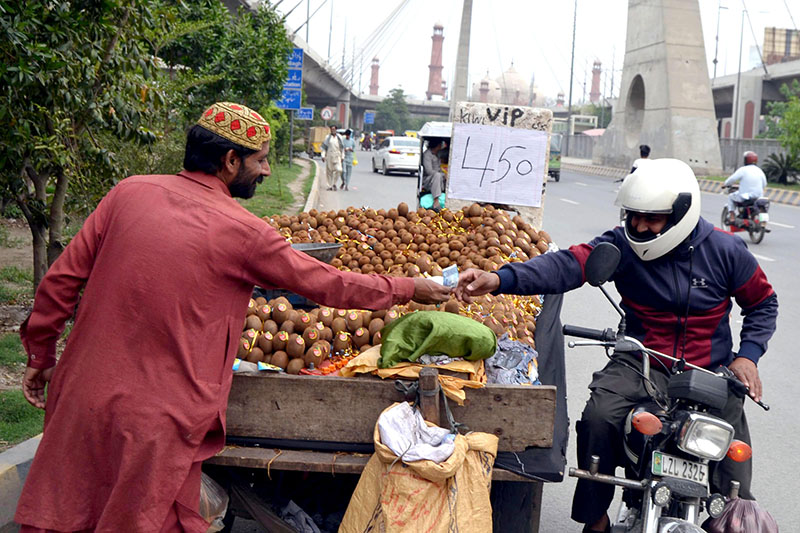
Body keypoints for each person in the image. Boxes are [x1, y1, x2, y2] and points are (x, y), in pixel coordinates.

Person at [15, 102, 452, 533]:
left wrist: (40, 355)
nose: (264, 171)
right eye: (260, 161)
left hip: (81, 395)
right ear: (229, 160)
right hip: (158, 419)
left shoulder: (128, 192)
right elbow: (328, 284)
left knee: (65, 509)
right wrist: (411, 287)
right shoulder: (244, 232)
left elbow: (60, 282)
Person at [455, 158, 777, 533]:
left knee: (736, 474)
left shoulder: (726, 251)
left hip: (710, 372)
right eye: (634, 215)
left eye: (652, 218)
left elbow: (763, 303)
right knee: (598, 418)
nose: (640, 225)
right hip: (640, 362)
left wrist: (748, 356)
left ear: (681, 214)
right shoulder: (620, 245)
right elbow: (566, 265)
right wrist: (499, 278)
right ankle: (596, 518)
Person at [724, 151, 767, 224]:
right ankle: (764, 224)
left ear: (746, 160)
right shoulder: (760, 170)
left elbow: (732, 179)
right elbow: (764, 184)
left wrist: (725, 184)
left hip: (745, 197)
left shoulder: (743, 170)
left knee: (731, 197)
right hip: (758, 197)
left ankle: (732, 216)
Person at [421, 138, 448, 211]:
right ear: (438, 145)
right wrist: (441, 175)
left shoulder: (438, 155)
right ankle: (436, 201)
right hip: (428, 179)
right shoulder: (427, 154)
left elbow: (439, 169)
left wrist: (445, 175)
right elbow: (429, 171)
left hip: (438, 178)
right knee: (437, 175)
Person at [321, 125, 344, 191]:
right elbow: (324, 148)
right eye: (331, 129)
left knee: (339, 170)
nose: (333, 130)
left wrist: (342, 156)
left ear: (336, 130)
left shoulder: (339, 137)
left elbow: (342, 148)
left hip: (337, 156)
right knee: (329, 172)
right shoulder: (327, 137)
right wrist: (323, 156)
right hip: (329, 156)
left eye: (334, 129)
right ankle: (329, 185)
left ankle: (334, 183)